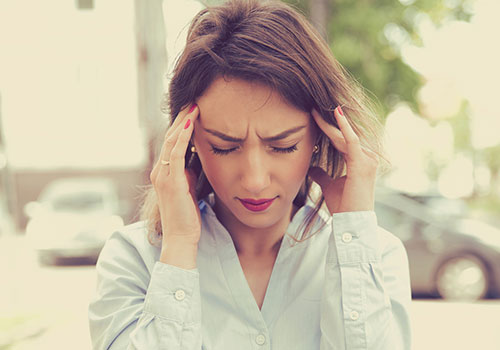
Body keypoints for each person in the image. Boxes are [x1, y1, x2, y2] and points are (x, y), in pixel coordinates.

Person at [88, 0, 412, 349]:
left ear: (322, 136)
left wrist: (354, 231)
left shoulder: (374, 258)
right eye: (225, 147)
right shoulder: (134, 259)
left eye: (283, 145)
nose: (255, 180)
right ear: (187, 139)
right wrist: (179, 248)